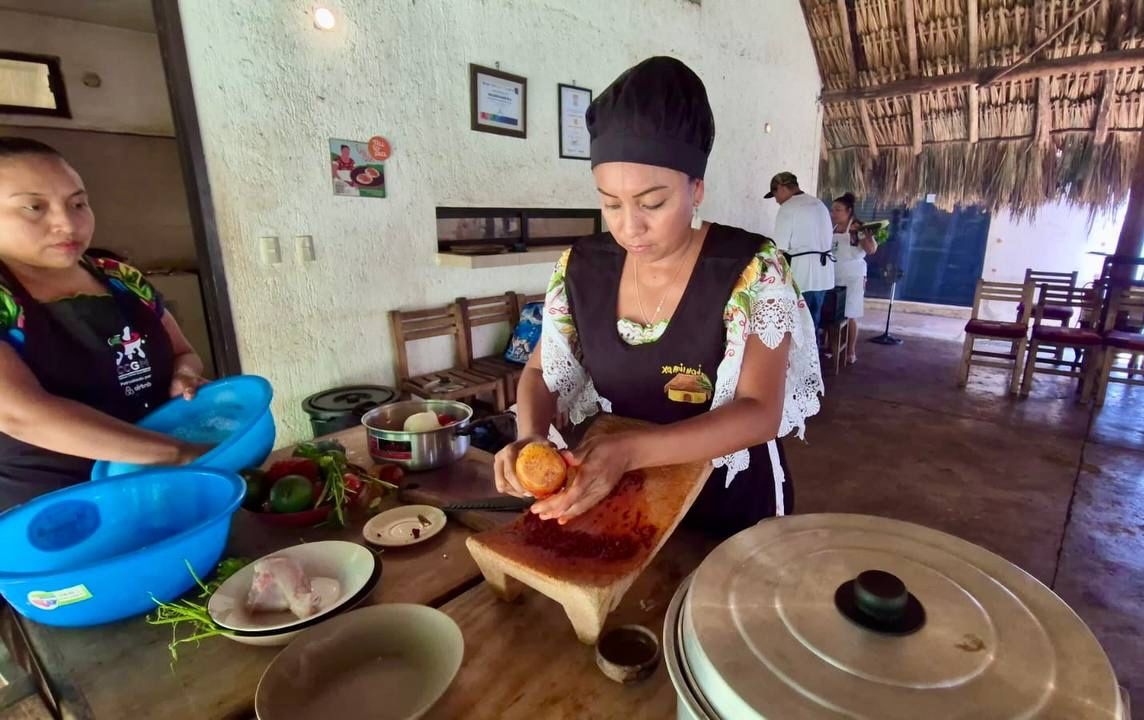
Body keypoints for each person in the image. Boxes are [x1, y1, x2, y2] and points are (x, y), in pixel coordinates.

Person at [491, 57, 823, 537]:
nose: (630, 226)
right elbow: (543, 371)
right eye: (610, 203)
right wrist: (530, 437)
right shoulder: (581, 269)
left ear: (696, 188)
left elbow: (759, 410)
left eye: (652, 203)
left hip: (729, 499)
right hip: (620, 493)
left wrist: (630, 449)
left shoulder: (751, 270)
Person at [0, 137, 209, 510]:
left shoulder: (119, 276)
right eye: (34, 207)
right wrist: (180, 454)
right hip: (62, 515)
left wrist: (185, 376)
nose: (66, 223)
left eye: (77, 203)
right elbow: (21, 415)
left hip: (161, 491)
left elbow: (183, 352)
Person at [766, 172, 834, 333]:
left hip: (804, 276)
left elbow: (779, 249)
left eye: (775, 194)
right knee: (813, 323)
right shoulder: (818, 204)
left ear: (782, 188)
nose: (776, 200)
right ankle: (813, 356)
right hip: (824, 275)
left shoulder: (788, 208)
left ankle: (802, 358)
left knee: (800, 326)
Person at [830, 192, 878, 365]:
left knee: (850, 314)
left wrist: (867, 235)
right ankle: (833, 349)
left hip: (853, 276)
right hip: (835, 274)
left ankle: (850, 351)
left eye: (838, 210)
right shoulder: (833, 229)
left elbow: (871, 249)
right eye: (832, 210)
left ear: (849, 211)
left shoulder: (857, 227)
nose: (833, 213)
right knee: (834, 315)